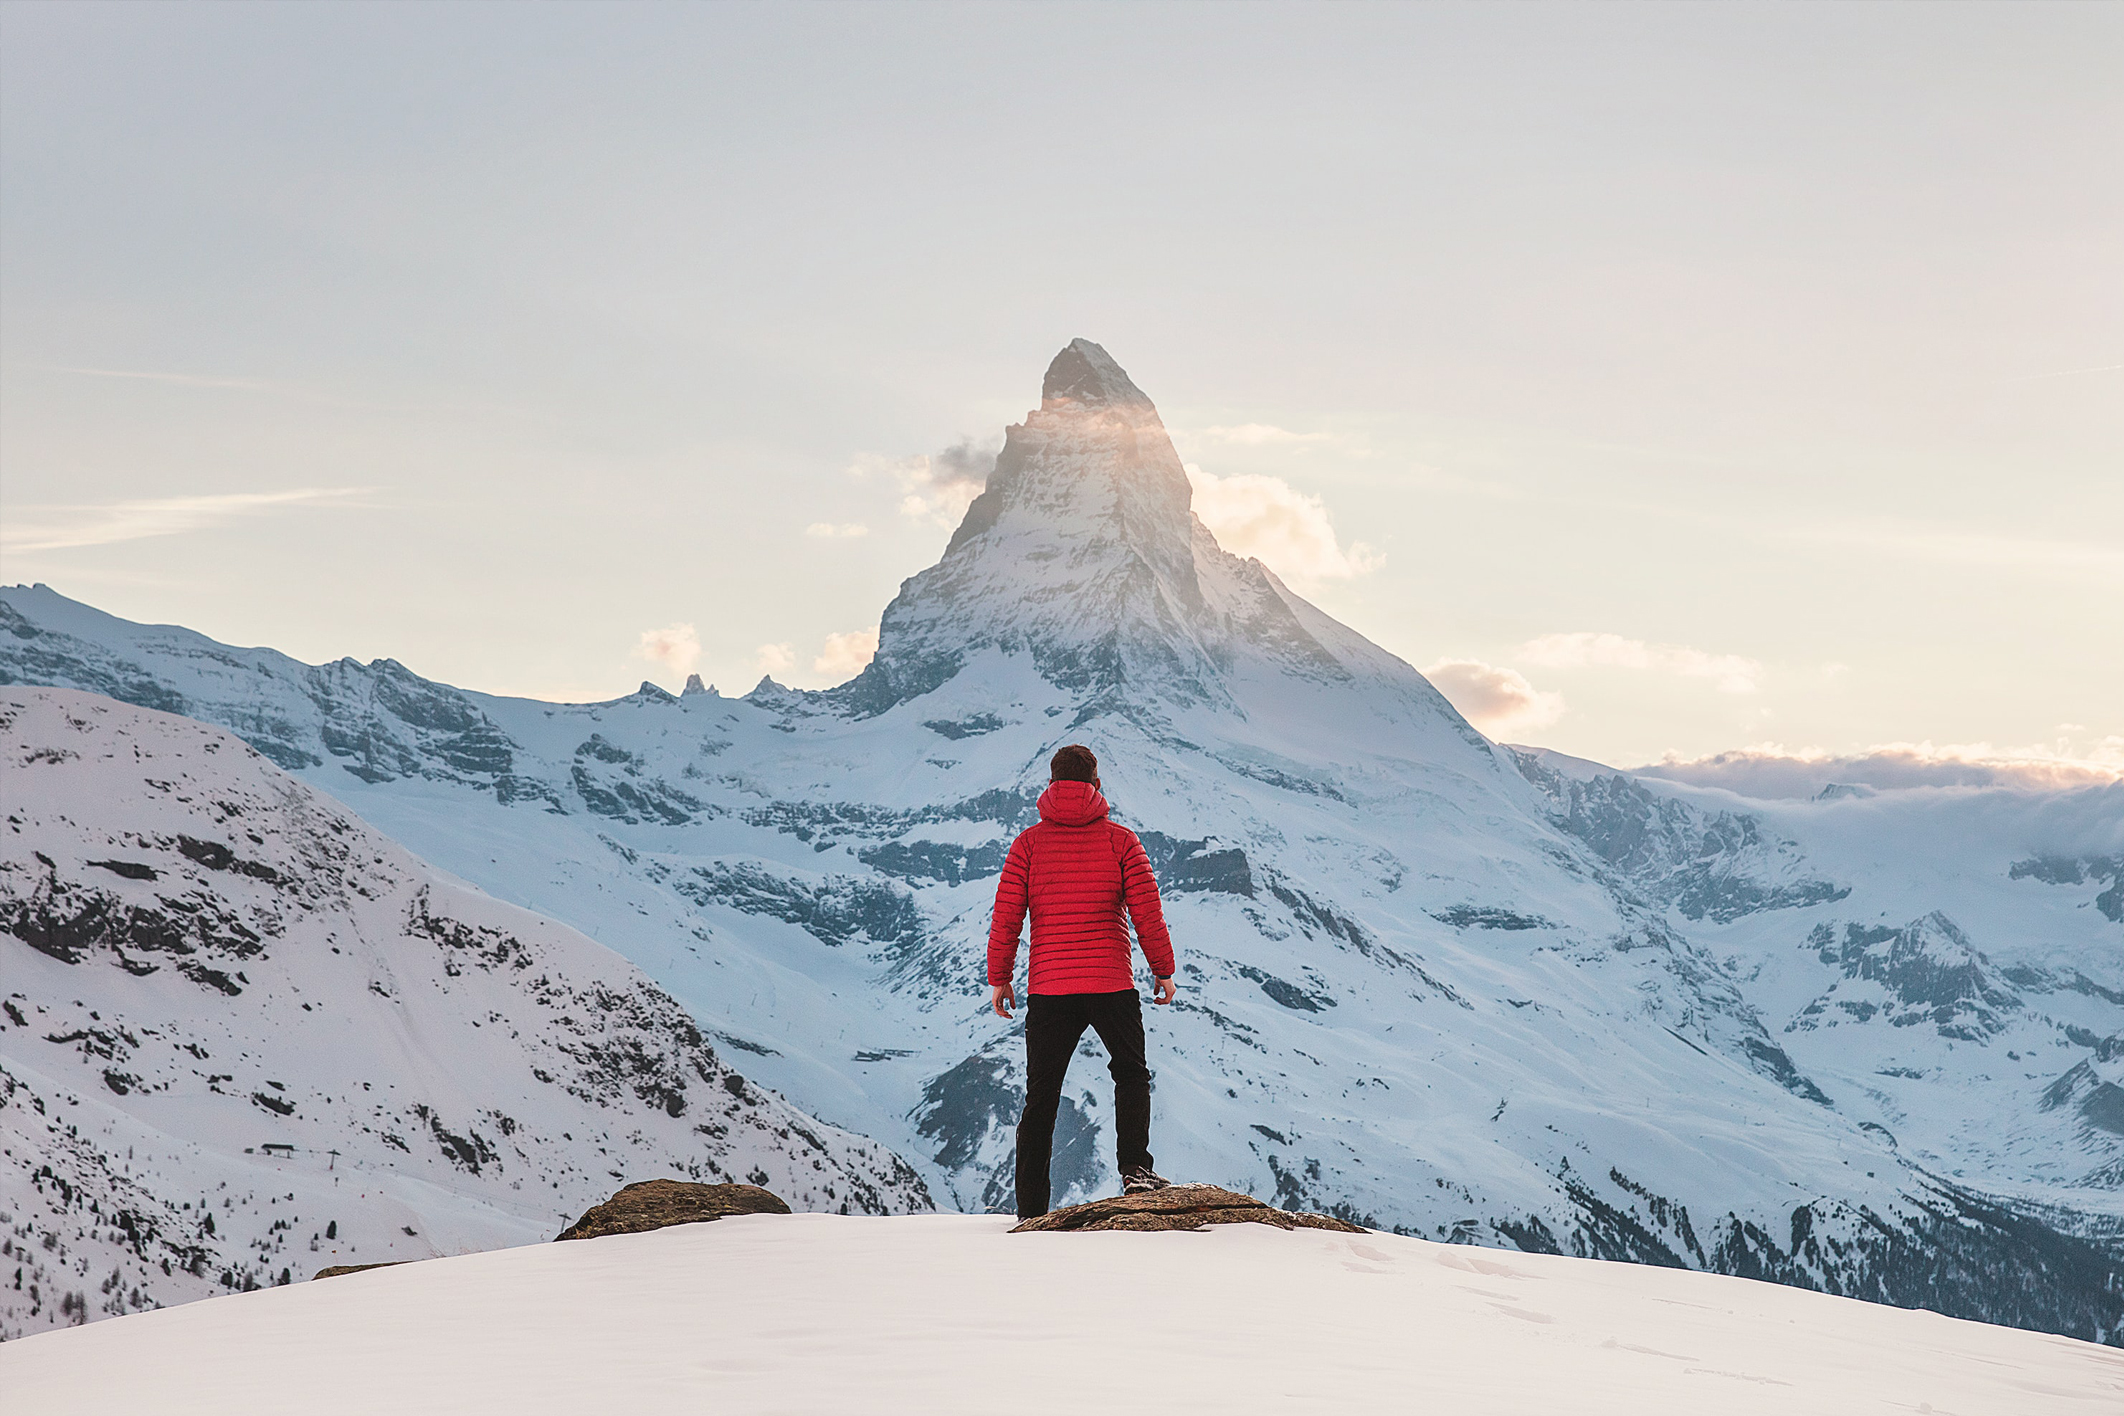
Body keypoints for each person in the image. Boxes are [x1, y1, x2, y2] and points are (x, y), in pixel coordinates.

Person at [987, 744, 1178, 1218]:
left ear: (1051, 784)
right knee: (1130, 1074)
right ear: (1096, 783)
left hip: (1050, 988)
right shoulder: (1121, 841)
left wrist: (1000, 977)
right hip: (1110, 982)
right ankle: (1136, 1171)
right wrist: (1163, 970)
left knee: (1042, 1095)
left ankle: (1031, 1208)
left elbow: (1007, 916)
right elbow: (1146, 912)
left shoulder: (1027, 844)